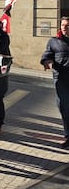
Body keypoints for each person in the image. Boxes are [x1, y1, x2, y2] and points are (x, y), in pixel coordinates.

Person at [40, 16, 69, 149]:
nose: (64, 28)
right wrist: (46, 62)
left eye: (67, 25)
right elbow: (46, 55)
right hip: (60, 79)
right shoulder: (54, 41)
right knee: (64, 107)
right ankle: (68, 136)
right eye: (63, 25)